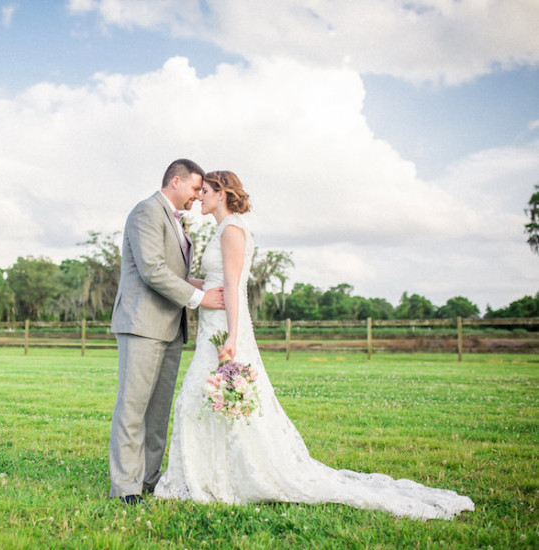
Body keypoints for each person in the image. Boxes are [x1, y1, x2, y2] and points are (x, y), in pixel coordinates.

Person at [154, 171, 475, 520]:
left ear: (222, 192)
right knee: (207, 400)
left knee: (199, 399)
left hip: (225, 325)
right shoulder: (221, 230)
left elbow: (233, 286)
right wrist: (185, 284)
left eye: (205, 191)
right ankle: (212, 474)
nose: (199, 196)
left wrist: (233, 336)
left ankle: (219, 476)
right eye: (198, 191)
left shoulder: (232, 230)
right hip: (212, 322)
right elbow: (217, 282)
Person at [109, 159, 225, 504]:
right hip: (142, 325)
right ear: (176, 181)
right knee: (133, 408)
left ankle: (148, 478)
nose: (197, 195)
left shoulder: (178, 223)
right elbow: (152, 270)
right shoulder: (146, 212)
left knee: (158, 411)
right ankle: (126, 487)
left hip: (171, 328)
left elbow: (175, 273)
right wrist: (200, 299)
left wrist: (219, 286)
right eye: (194, 188)